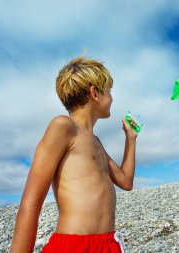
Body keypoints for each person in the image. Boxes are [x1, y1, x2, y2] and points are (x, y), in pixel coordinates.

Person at [10, 56, 137, 253]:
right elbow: (31, 204)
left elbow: (126, 182)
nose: (112, 97)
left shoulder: (97, 142)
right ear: (95, 93)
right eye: (109, 91)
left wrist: (131, 138)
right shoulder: (63, 126)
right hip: (73, 246)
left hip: (108, 245)